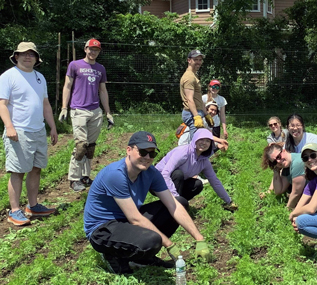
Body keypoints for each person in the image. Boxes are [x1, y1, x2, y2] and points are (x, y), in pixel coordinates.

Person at [83, 131, 212, 274]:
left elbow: (173, 205)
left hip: (125, 220)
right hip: (102, 229)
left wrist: (199, 239)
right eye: (143, 152)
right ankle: (113, 255)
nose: (147, 157)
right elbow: (135, 218)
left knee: (181, 202)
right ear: (129, 150)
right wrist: (169, 245)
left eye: (152, 154)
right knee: (152, 240)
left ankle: (140, 258)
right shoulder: (115, 174)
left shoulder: (151, 173)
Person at [0, 42, 58, 226]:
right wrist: (9, 126)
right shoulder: (8, 76)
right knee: (17, 171)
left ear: (36, 58)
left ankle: (33, 206)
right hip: (19, 131)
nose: (28, 57)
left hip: (38, 130)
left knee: (36, 168)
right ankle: (15, 210)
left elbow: (45, 105)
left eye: (31, 54)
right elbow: (2, 104)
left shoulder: (40, 77)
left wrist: (52, 127)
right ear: (16, 56)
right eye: (24, 54)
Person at [58, 38, 114, 192]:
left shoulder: (100, 68)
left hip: (95, 111)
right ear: (85, 49)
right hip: (79, 110)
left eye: (96, 50)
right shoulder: (74, 65)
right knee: (81, 145)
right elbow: (67, 86)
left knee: (90, 147)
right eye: (91, 49)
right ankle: (74, 179)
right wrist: (64, 107)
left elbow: (103, 91)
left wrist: (108, 112)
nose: (93, 52)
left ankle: (85, 176)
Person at [156, 129, 236, 209]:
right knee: (178, 174)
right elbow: (165, 174)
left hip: (176, 183)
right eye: (201, 139)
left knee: (197, 184)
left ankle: (176, 205)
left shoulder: (204, 161)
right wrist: (176, 197)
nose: (204, 143)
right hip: (157, 182)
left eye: (207, 141)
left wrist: (229, 201)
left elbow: (214, 181)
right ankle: (174, 206)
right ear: (195, 140)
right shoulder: (183, 152)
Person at [180, 50, 213, 139]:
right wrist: (196, 116)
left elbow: (198, 98)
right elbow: (189, 99)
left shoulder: (194, 75)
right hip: (191, 113)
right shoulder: (189, 77)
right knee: (196, 141)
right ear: (189, 60)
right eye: (196, 60)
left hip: (197, 112)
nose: (198, 62)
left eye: (200, 60)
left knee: (199, 139)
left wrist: (206, 114)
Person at [261, 142, 306, 208]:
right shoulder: (287, 167)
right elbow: (278, 190)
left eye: (279, 156)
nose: (278, 161)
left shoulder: (297, 163)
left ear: (284, 151)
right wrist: (276, 170)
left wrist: (286, 211)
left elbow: (296, 193)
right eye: (275, 161)